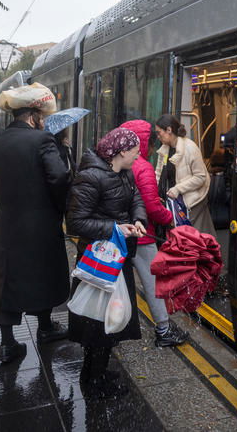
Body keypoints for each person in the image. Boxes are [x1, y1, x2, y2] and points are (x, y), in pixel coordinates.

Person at [0, 84, 72, 363]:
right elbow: (59, 178)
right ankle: (45, 327)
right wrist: (62, 208)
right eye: (42, 117)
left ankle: (7, 344)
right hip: (40, 222)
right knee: (43, 272)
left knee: (6, 278)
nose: (44, 121)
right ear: (33, 116)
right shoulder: (42, 141)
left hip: (7, 224)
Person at [66, 127, 147, 396]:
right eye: (135, 151)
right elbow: (75, 222)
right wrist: (115, 227)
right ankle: (92, 381)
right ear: (121, 152)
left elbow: (135, 198)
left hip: (118, 256)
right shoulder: (90, 177)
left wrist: (137, 220)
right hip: (99, 260)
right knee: (97, 321)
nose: (138, 156)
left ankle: (97, 372)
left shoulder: (124, 171)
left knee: (109, 318)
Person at [120, 120, 188, 347]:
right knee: (153, 283)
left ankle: (112, 329)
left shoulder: (119, 162)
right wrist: (170, 219)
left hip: (121, 231)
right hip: (142, 235)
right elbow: (150, 206)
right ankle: (164, 330)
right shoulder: (142, 167)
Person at [155, 114, 217, 237]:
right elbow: (158, 173)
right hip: (175, 202)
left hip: (192, 203)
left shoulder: (190, 148)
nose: (157, 136)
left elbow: (200, 177)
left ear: (169, 130)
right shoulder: (164, 149)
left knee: (196, 241)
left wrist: (178, 189)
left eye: (159, 132)